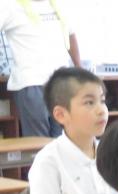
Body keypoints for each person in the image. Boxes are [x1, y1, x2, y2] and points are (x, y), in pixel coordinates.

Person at [0, 0, 80, 137]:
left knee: (62, 140)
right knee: (38, 142)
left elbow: (71, 34)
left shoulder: (59, 4)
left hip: (61, 84)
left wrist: (80, 70)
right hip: (31, 83)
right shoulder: (9, 5)